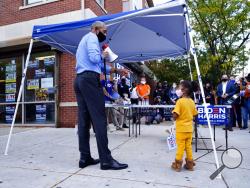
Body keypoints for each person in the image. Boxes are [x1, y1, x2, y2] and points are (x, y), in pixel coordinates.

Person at [74, 21, 128, 170]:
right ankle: (106, 160)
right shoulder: (91, 38)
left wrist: (116, 71)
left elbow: (94, 65)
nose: (106, 34)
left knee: (84, 121)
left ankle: (84, 158)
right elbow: (94, 59)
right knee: (99, 120)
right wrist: (103, 54)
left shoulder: (83, 40)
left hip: (79, 80)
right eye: (104, 31)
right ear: (96, 30)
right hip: (90, 80)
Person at [171, 81, 198, 172]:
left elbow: (175, 116)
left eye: (180, 87)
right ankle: (190, 164)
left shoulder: (179, 101)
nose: (178, 89)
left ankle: (177, 164)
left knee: (180, 147)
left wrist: (173, 113)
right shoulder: (192, 102)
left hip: (181, 129)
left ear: (184, 90)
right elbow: (195, 114)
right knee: (188, 147)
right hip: (189, 129)